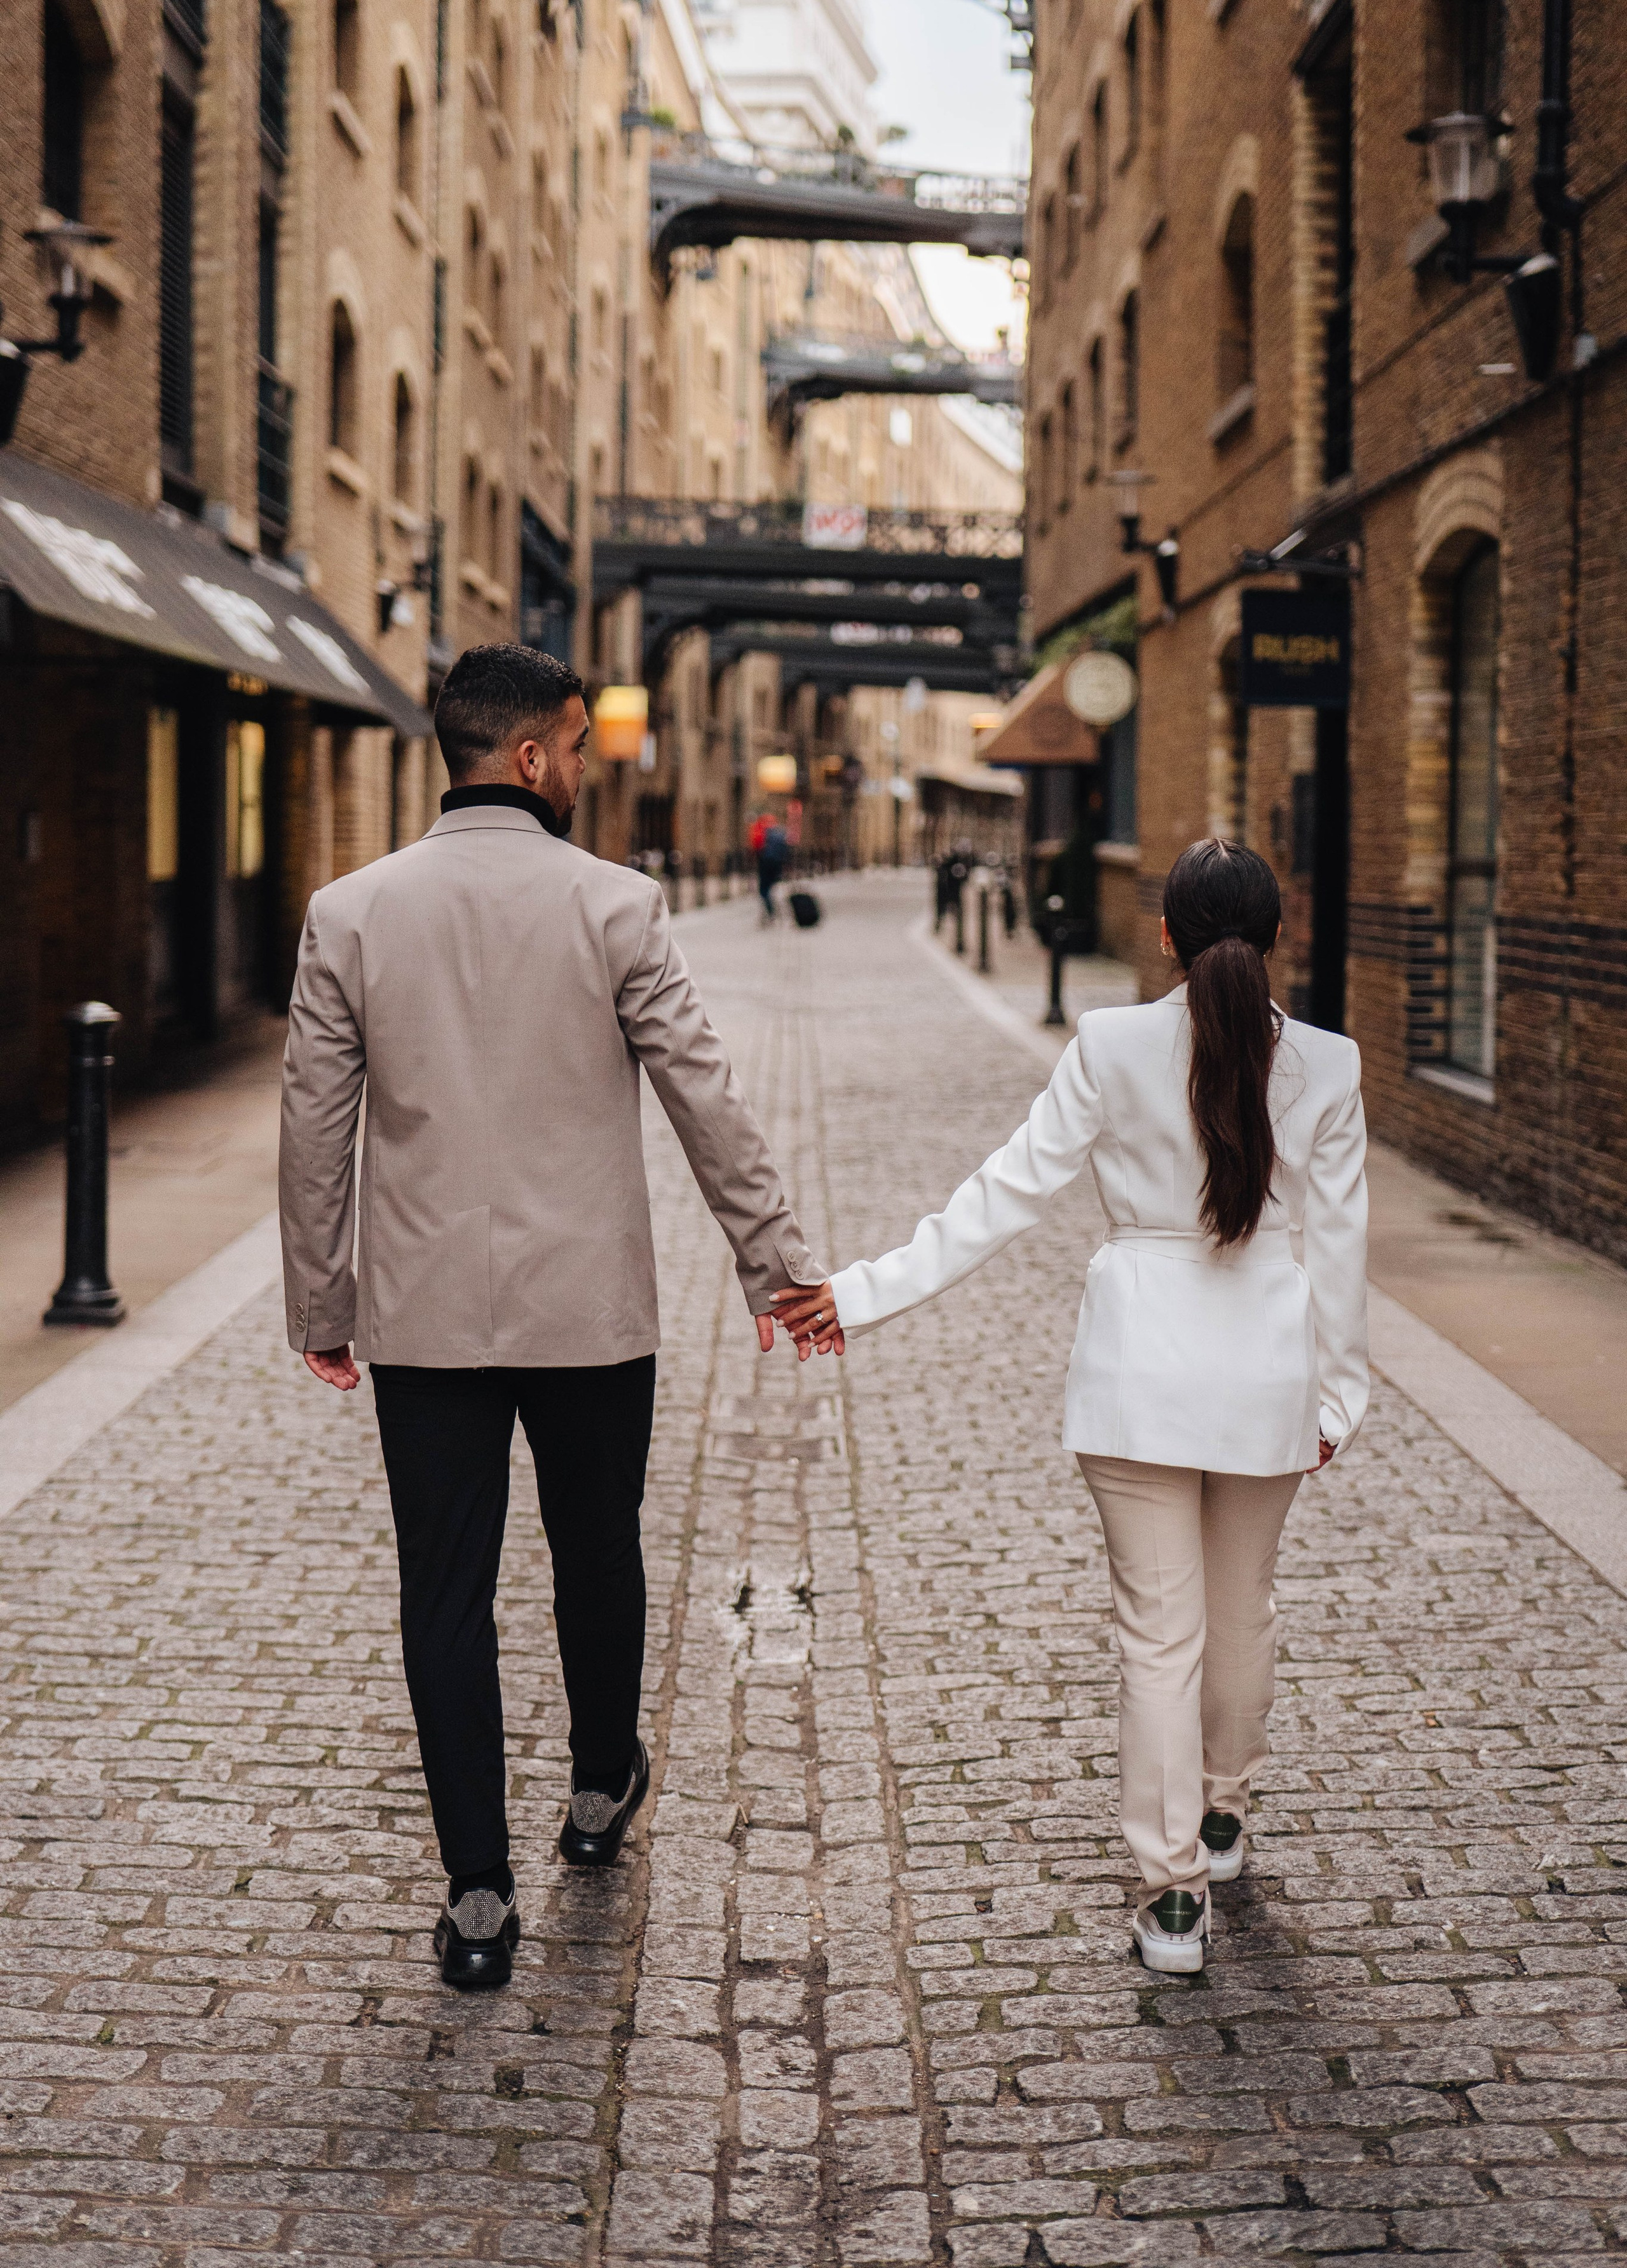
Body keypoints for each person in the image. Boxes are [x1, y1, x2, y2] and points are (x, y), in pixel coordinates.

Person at [279, 645, 828, 1991]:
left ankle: (476, 1893)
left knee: (446, 1589)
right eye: (578, 745)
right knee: (597, 1551)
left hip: (423, 1321)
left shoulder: (350, 913)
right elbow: (706, 1097)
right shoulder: (617, 907)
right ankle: (595, 1790)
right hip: (589, 1316)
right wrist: (777, 1264)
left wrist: (323, 1302)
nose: (583, 766)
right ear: (529, 757)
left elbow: (313, 1128)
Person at [773, 839, 1368, 1976]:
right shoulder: (1328, 1068)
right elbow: (1338, 1248)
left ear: (1164, 939)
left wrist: (855, 1295)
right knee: (1243, 1611)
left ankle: (1174, 1895)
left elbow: (998, 1200)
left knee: (1162, 1635)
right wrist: (1342, 1391)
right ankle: (1225, 1811)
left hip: (1138, 1378)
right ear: (1279, 937)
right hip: (1269, 1383)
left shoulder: (1111, 1044)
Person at [754, 815, 788, 922]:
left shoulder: (763, 833)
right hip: (777, 864)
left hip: (765, 863)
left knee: (764, 889)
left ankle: (770, 910)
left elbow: (757, 848)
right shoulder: (781, 833)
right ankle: (772, 908)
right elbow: (786, 850)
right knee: (771, 887)